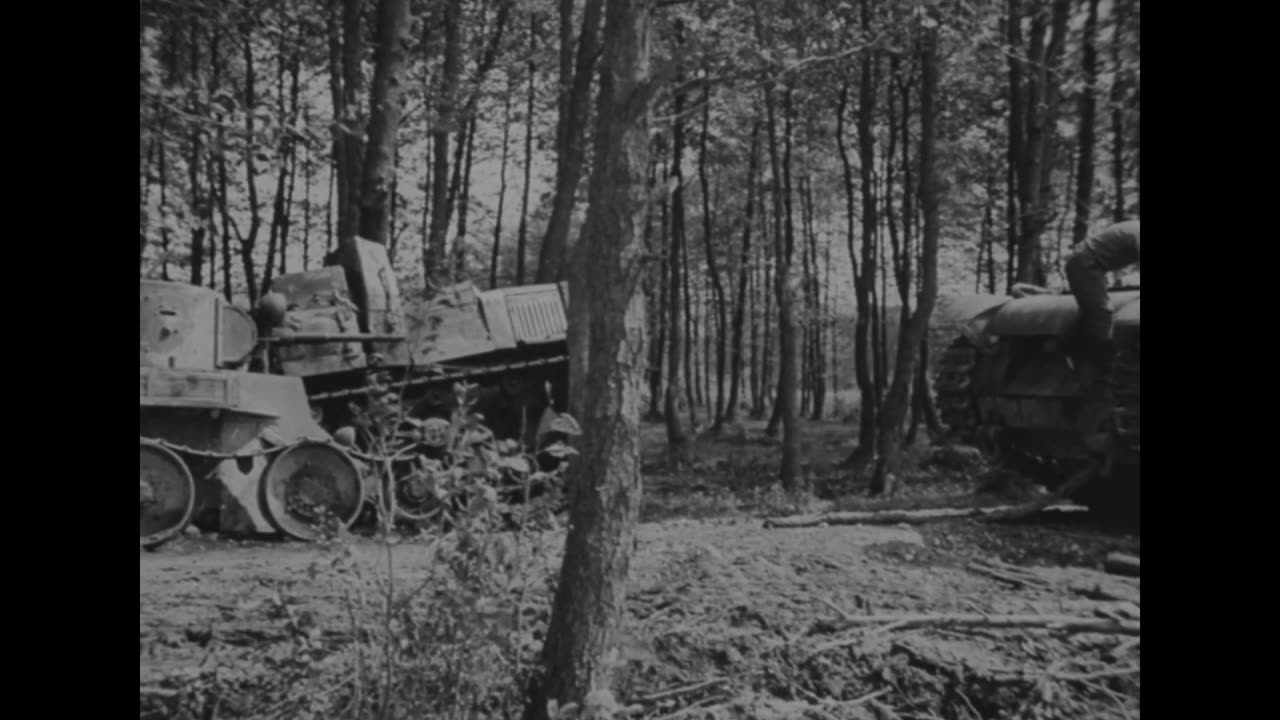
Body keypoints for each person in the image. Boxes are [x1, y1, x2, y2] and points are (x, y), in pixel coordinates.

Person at [1063, 219, 1140, 451]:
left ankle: (1084, 356)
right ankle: (1102, 377)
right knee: (1103, 318)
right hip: (1086, 265)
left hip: (1088, 265)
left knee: (1096, 315)